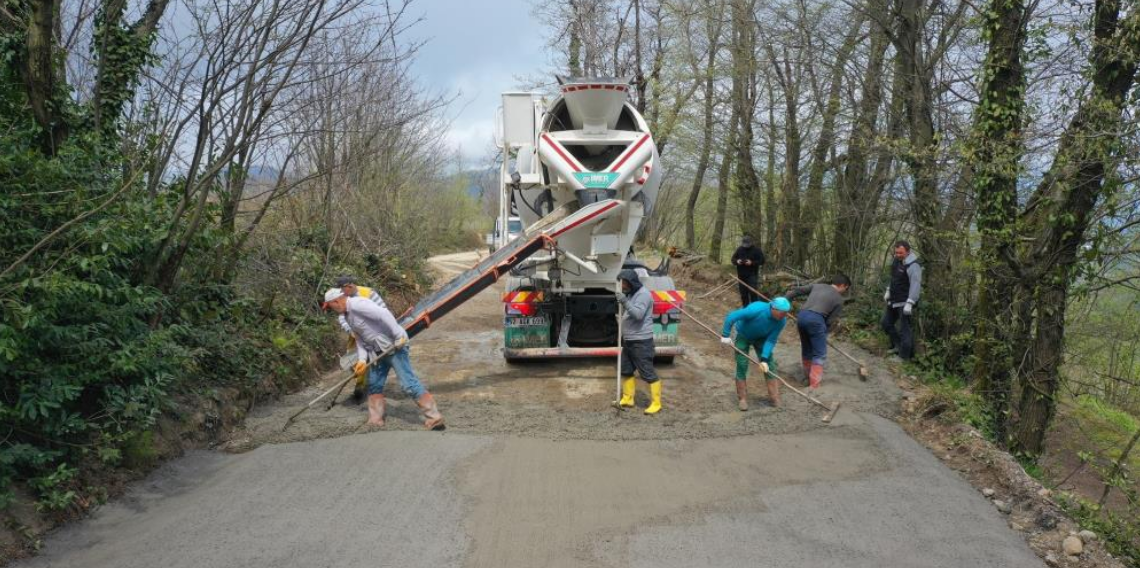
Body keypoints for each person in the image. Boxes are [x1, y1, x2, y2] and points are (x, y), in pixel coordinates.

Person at [322, 288, 445, 430]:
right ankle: (375, 420)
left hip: (393, 346)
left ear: (336, 301)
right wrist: (362, 360)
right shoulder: (347, 316)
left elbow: (384, 313)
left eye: (331, 307)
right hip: (376, 352)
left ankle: (435, 418)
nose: (332, 310)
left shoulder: (358, 304)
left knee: (408, 384)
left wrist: (398, 335)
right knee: (374, 385)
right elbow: (360, 339)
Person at [784, 275, 852, 395]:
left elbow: (797, 291)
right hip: (816, 320)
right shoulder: (839, 300)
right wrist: (823, 334)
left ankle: (807, 376)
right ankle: (814, 385)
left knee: (807, 349)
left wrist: (784, 300)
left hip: (802, 316)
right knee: (820, 354)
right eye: (846, 289)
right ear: (843, 285)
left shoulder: (818, 286)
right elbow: (829, 321)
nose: (844, 291)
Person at [720, 297, 791, 410]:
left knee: (769, 366)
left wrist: (764, 358)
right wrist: (725, 335)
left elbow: (771, 340)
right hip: (743, 335)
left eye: (786, 313)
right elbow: (732, 316)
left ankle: (774, 397)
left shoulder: (781, 321)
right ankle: (742, 399)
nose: (784, 316)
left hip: (761, 338)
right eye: (783, 313)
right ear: (773, 309)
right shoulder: (756, 310)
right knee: (742, 364)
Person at [334, 276, 388, 403]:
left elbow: (384, 311)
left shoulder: (368, 293)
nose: (342, 294)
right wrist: (351, 330)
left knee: (374, 360)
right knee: (358, 361)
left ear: (350, 286)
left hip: (375, 334)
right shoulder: (343, 298)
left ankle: (365, 388)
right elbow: (342, 317)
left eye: (343, 290)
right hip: (357, 335)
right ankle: (362, 385)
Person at [615, 269, 662, 415]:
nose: (622, 286)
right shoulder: (631, 293)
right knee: (626, 369)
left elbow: (638, 314)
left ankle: (656, 403)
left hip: (641, 342)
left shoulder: (643, 295)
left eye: (624, 283)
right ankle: (628, 398)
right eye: (621, 283)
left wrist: (624, 301)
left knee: (647, 372)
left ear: (632, 282)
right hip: (629, 340)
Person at [881, 241, 922, 360]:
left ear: (908, 252)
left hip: (905, 302)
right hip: (894, 299)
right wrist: (888, 290)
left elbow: (915, 284)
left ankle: (904, 357)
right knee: (886, 323)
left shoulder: (913, 265)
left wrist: (910, 302)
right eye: (896, 252)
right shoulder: (896, 261)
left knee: (905, 330)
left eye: (901, 253)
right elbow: (894, 278)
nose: (898, 255)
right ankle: (898, 346)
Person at [730, 235, 766, 307]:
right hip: (741, 275)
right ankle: (745, 308)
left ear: (751, 243)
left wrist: (752, 263)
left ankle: (754, 308)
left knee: (753, 292)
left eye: (747, 244)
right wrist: (737, 261)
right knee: (743, 293)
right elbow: (733, 259)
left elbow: (762, 261)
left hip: (752, 275)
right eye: (745, 244)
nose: (746, 246)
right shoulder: (739, 249)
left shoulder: (757, 250)